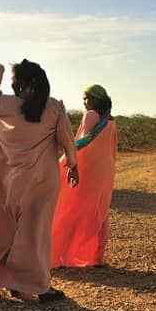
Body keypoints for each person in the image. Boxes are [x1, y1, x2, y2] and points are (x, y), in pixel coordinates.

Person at [0, 61, 78, 303]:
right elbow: (67, 140)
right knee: (35, 234)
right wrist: (73, 165)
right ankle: (38, 286)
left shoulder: (4, 104)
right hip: (41, 182)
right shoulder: (54, 107)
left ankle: (9, 279)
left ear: (19, 83)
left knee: (5, 230)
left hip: (6, 182)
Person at [51, 85, 118, 268]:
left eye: (87, 98)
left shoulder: (90, 116)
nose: (84, 102)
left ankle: (58, 253)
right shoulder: (110, 120)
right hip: (105, 170)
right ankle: (96, 257)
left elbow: (81, 143)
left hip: (89, 168)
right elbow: (112, 150)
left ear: (96, 99)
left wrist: (69, 163)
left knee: (70, 208)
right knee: (99, 210)